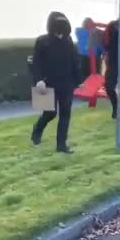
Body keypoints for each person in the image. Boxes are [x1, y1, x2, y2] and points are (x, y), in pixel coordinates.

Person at [31, 12, 81, 154]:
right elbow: (36, 64)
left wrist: (78, 80)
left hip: (66, 83)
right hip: (46, 83)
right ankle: (37, 129)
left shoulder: (68, 41)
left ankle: (61, 145)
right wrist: (38, 80)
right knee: (50, 113)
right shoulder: (42, 41)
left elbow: (74, 61)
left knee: (65, 113)